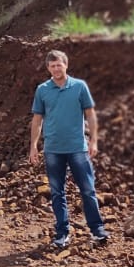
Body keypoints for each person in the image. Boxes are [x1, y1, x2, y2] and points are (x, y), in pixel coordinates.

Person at [29, 49, 109, 249]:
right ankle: (62, 233)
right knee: (57, 192)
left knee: (88, 190)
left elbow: (90, 114)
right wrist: (33, 146)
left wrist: (94, 141)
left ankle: (97, 231)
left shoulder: (79, 86)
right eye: (52, 65)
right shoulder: (42, 90)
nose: (56, 68)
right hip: (53, 149)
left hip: (78, 148)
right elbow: (37, 119)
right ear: (48, 68)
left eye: (59, 64)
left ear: (66, 65)